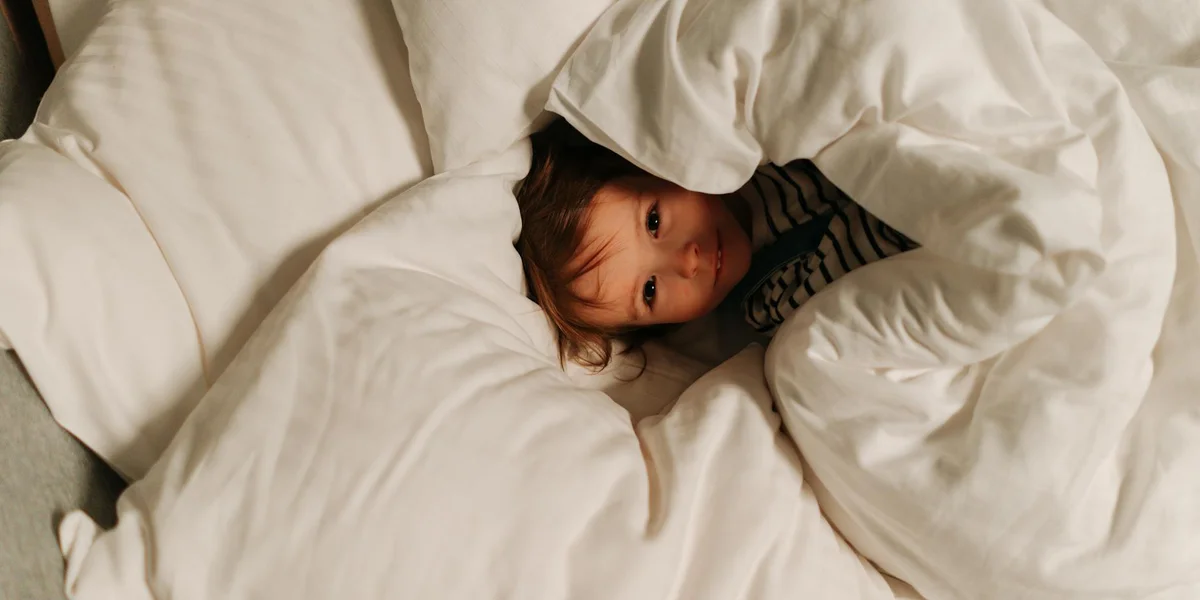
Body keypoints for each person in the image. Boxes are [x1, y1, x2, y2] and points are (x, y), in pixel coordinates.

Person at [515, 119, 916, 370]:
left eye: (654, 222)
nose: (687, 261)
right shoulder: (775, 300)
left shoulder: (748, 142)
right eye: (650, 290)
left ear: (650, 169)